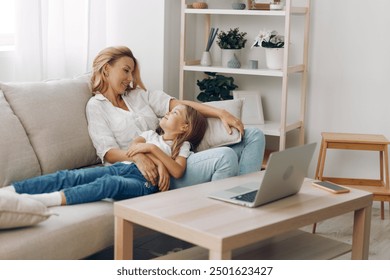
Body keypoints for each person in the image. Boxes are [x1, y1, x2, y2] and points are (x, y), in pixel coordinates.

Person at [87, 46, 266, 190]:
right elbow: (108, 152)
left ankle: (244, 197)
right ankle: (224, 211)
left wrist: (221, 113)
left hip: (177, 152)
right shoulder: (96, 106)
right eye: (126, 71)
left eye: (132, 72)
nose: (130, 78)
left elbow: (180, 106)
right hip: (155, 170)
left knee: (254, 136)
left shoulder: (138, 95)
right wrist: (140, 157)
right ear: (107, 69)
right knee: (225, 156)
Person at [1, 104, 207, 206]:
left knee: (110, 184)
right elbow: (132, 150)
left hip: (145, 183)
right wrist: (159, 160)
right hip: (124, 166)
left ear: (184, 127)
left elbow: (178, 171)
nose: (168, 113)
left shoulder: (183, 146)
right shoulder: (148, 134)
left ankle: (48, 200)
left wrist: (153, 151)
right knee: (72, 176)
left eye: (175, 114)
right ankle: (12, 190)